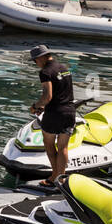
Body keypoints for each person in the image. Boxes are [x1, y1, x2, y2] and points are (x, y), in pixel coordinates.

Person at [29, 44, 76, 187]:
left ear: (41, 58)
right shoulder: (64, 68)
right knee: (63, 147)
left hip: (55, 113)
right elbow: (61, 92)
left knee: (49, 143)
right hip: (70, 111)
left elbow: (47, 96)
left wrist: (36, 106)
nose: (35, 63)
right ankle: (61, 179)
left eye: (35, 60)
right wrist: (43, 106)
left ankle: (54, 176)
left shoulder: (45, 71)